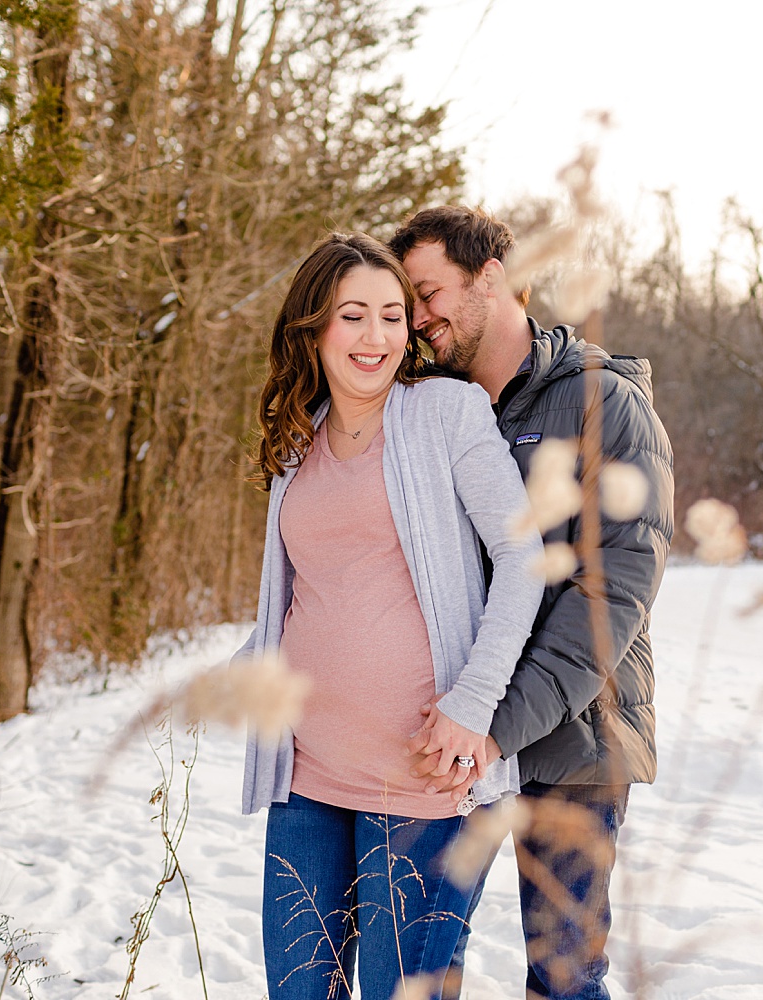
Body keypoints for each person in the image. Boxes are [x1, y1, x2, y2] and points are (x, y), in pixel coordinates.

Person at [232, 232, 544, 1000]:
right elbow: (310, 590)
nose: (376, 337)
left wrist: (474, 705)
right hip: (308, 775)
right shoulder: (296, 436)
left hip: (423, 784)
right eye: (352, 316)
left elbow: (523, 558)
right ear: (313, 328)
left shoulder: (445, 412)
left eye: (392, 316)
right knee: (300, 992)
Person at [389, 207, 675, 1000]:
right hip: (455, 743)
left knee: (562, 983)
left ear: (492, 278)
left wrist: (495, 723)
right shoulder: (431, 410)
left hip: (571, 745)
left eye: (428, 293)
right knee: (416, 972)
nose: (417, 321)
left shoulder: (602, 405)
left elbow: (610, 594)